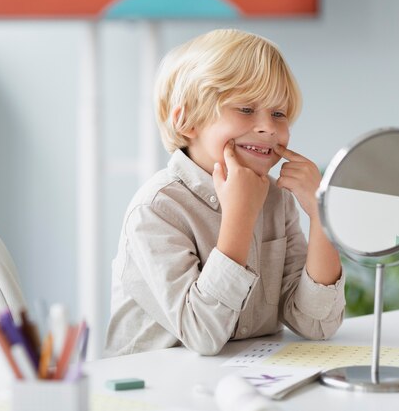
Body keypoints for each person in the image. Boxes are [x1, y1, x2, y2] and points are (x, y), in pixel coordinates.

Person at [104, 28, 345, 357]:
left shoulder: (278, 199)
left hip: (240, 379)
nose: (268, 128)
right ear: (187, 121)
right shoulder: (157, 209)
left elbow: (317, 324)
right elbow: (202, 333)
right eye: (246, 109)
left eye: (279, 114)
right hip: (153, 388)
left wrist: (320, 215)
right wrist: (241, 215)